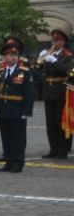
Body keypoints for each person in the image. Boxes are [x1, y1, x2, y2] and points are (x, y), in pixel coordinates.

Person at [0, 36, 36, 173]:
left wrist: (26, 111)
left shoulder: (24, 72)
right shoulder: (0, 73)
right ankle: (9, 162)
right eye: (10, 55)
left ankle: (18, 162)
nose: (13, 58)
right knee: (6, 137)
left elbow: (29, 93)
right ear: (5, 56)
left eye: (15, 55)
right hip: (4, 110)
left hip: (17, 110)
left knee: (18, 138)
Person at [37, 29, 70, 159]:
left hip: (61, 91)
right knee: (50, 123)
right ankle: (53, 148)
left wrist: (54, 61)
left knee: (60, 122)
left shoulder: (68, 55)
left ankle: (63, 149)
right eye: (53, 40)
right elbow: (38, 68)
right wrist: (41, 59)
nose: (54, 43)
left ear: (63, 42)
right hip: (48, 92)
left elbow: (66, 71)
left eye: (57, 40)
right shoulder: (48, 54)